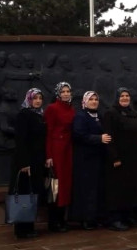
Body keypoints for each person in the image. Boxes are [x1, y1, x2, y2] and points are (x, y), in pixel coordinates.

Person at [102, 87, 137, 231]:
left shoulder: (133, 114)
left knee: (130, 189)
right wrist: (114, 157)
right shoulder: (111, 113)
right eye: (122, 96)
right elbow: (109, 137)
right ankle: (114, 219)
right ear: (117, 97)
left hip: (133, 160)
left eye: (127, 95)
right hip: (118, 159)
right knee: (117, 190)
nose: (125, 98)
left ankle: (128, 216)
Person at [69, 91, 111, 230]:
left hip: (98, 159)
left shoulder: (99, 116)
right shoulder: (81, 116)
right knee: (87, 190)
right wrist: (98, 139)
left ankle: (97, 216)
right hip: (85, 160)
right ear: (85, 101)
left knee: (97, 189)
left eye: (96, 99)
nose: (94, 101)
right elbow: (79, 135)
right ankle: (86, 219)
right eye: (91, 99)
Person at [9, 88, 47, 239]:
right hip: (26, 162)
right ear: (28, 99)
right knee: (24, 194)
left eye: (40, 98)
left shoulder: (39, 115)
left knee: (31, 194)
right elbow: (21, 140)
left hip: (37, 161)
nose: (37, 101)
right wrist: (24, 163)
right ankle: (21, 229)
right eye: (34, 98)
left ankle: (29, 226)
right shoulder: (24, 115)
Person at [44, 82, 75, 232]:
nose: (66, 93)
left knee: (66, 184)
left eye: (68, 91)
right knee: (56, 185)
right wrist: (49, 155)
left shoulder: (72, 109)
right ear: (58, 93)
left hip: (68, 149)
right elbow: (48, 133)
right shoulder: (52, 108)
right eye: (63, 91)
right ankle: (53, 221)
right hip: (57, 150)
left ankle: (62, 219)